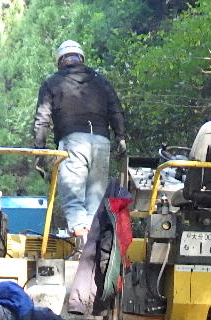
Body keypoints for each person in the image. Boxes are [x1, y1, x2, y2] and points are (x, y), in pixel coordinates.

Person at [32, 40, 126, 240]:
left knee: (74, 200)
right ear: (81, 58)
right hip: (101, 143)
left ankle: (81, 247)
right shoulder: (101, 81)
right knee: (95, 202)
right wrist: (121, 137)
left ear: (60, 61)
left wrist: (39, 153)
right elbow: (116, 110)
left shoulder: (52, 83)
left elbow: (42, 120)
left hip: (73, 142)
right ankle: (92, 251)